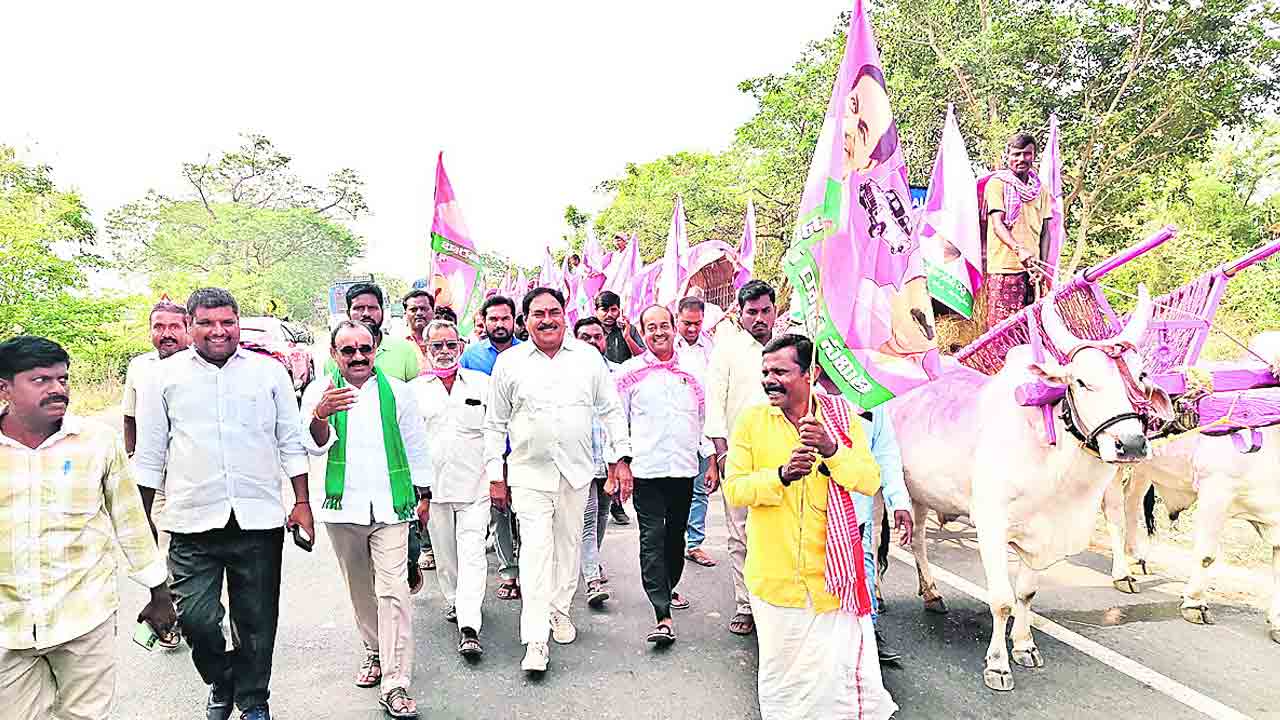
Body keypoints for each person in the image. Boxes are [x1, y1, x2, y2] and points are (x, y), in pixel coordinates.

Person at [134, 288, 313, 720]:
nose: (219, 331)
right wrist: (140, 526)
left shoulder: (269, 374)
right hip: (191, 523)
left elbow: (290, 442)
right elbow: (150, 456)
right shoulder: (162, 378)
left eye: (227, 322)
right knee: (195, 619)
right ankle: (221, 678)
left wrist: (301, 501)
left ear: (238, 324)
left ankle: (253, 700)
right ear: (190, 326)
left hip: (258, 521)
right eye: (207, 323)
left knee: (256, 621)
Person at [0, 336, 176, 720]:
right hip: (6, 625)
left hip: (84, 613)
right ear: (4, 388)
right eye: (41, 380)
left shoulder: (96, 442)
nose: (57, 389)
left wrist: (159, 592)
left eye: (62, 379)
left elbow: (130, 521)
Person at [723, 334, 896, 720]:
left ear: (810, 373)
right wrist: (781, 476)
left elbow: (868, 480)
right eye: (765, 371)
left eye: (780, 371)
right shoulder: (752, 421)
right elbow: (734, 488)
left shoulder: (838, 417)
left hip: (831, 582)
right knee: (784, 689)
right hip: (775, 582)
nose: (769, 379)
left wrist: (832, 450)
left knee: (835, 687)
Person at [484, 287, 632, 673]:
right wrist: (494, 475)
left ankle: (559, 610)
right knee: (535, 551)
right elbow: (494, 424)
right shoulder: (510, 363)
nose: (547, 319)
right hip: (528, 473)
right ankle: (534, 641)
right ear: (525, 320)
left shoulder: (588, 358)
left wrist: (621, 459)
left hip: (577, 471)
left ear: (565, 315)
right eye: (537, 314)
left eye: (553, 312)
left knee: (568, 549)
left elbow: (611, 410)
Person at [300, 321, 432, 719]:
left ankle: (395, 681)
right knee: (361, 590)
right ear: (334, 353)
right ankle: (374, 650)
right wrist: (322, 413)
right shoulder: (319, 389)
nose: (357, 357)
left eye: (364, 349)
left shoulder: (398, 391)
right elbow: (312, 445)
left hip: (392, 508)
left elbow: (414, 443)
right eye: (348, 350)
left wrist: (423, 494)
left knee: (393, 589)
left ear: (375, 348)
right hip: (343, 509)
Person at [616, 306, 705, 644]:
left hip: (683, 469)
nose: (658, 332)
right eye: (650, 327)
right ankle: (662, 613)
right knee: (651, 539)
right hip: (647, 471)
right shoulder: (629, 373)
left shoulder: (693, 370)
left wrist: (710, 460)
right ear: (642, 331)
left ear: (673, 328)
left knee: (675, 539)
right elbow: (616, 422)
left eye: (663, 325)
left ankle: (668, 586)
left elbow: (703, 417)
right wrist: (620, 463)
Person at [411, 319, 492, 659]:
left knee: (473, 552)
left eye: (449, 345)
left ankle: (469, 625)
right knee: (446, 557)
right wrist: (417, 492)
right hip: (434, 490)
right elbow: (409, 444)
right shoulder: (414, 391)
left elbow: (496, 433)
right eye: (436, 346)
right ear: (426, 350)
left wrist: (498, 479)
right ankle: (455, 600)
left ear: (460, 345)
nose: (444, 352)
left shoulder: (482, 384)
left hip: (477, 486)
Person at [704, 279, 777, 636]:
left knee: (784, 529)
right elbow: (715, 404)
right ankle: (746, 604)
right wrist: (721, 455)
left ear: (775, 310)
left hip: (786, 457)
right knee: (740, 534)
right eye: (752, 312)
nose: (760, 318)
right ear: (740, 313)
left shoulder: (790, 347)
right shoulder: (727, 350)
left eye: (766, 310)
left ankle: (777, 602)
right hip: (739, 457)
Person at [122, 299, 191, 649]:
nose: (166, 334)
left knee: (187, 539)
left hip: (188, 470)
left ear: (188, 329)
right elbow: (129, 415)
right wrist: (131, 456)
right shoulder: (140, 366)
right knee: (150, 533)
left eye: (174, 327)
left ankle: (192, 608)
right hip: (150, 468)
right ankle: (164, 603)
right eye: (158, 327)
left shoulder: (200, 366)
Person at [459, 295, 523, 602]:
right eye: (493, 319)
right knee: (498, 512)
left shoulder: (528, 354)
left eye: (505, 318)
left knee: (526, 512)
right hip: (488, 449)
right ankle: (509, 571)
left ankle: (531, 570)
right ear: (484, 322)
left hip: (525, 447)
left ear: (514, 320)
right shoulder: (471, 357)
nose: (500, 324)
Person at [572, 316, 617, 607]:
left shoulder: (619, 373)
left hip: (610, 459)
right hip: (580, 459)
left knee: (603, 516)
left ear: (605, 340)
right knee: (587, 520)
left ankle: (592, 561)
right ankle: (592, 579)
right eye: (584, 337)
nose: (591, 342)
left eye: (596, 337)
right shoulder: (567, 375)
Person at [984, 132, 1051, 327]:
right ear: (1008, 156)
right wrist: (1018, 249)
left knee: (1031, 332)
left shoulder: (1041, 190)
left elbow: (1046, 232)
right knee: (1002, 332)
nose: (1022, 159)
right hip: (1004, 269)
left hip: (1032, 272)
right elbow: (997, 224)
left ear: (1034, 156)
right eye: (1016, 154)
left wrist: (1042, 267)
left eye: (1027, 154)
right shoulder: (997, 184)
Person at [673, 296, 717, 568]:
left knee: (700, 490)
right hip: (675, 431)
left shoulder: (711, 348)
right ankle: (674, 543)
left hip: (703, 428)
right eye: (687, 323)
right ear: (677, 318)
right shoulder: (668, 347)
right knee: (676, 491)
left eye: (697, 324)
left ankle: (695, 544)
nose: (691, 329)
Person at [402, 288, 436, 367]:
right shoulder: (397, 343)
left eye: (423, 309)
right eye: (413, 310)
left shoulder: (445, 342)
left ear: (433, 312)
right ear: (405, 314)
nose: (419, 313)